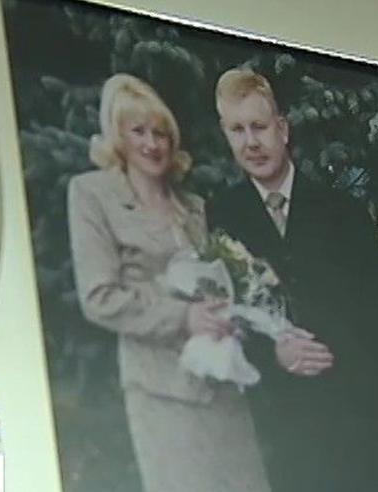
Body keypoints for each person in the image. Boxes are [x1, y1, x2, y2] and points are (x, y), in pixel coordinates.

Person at [67, 73, 271, 492]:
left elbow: (221, 282)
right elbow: (99, 297)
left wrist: (234, 311)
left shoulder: (193, 208)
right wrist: (184, 317)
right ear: (118, 137)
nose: (152, 144)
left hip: (223, 383)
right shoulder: (92, 195)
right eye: (138, 131)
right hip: (161, 391)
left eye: (160, 133)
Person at [206, 68, 378, 491]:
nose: (251, 142)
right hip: (276, 429)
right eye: (237, 130)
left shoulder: (343, 212)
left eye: (259, 126)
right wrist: (273, 353)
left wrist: (339, 355)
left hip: (356, 419)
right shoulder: (220, 218)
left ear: (283, 128)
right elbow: (221, 318)